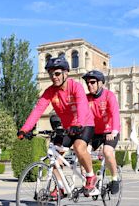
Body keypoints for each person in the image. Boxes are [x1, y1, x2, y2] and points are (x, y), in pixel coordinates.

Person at [17, 56, 97, 199]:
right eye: (51, 74)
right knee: (53, 158)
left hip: (84, 124)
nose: (54, 77)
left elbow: (82, 107)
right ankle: (61, 188)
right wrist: (25, 128)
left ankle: (91, 176)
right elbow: (38, 109)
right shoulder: (50, 92)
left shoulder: (75, 86)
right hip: (68, 128)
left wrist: (78, 124)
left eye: (57, 73)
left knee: (79, 147)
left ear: (66, 73)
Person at [82, 70, 121, 194]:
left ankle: (115, 179)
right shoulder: (87, 98)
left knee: (107, 152)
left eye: (92, 82)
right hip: (95, 132)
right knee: (82, 152)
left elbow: (115, 113)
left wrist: (114, 131)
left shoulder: (109, 95)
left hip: (110, 131)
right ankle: (90, 180)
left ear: (100, 83)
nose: (89, 85)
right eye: (87, 83)